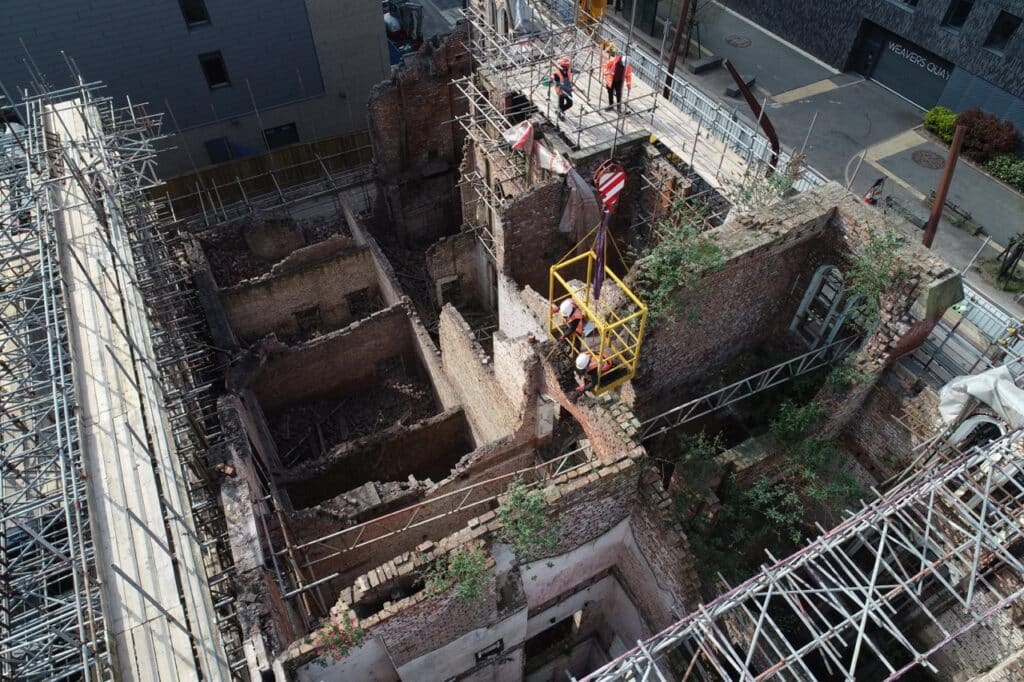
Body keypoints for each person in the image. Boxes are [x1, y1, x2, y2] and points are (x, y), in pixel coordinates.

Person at [603, 44, 632, 113]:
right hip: (611, 79)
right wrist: (606, 72)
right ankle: (611, 105)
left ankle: (619, 108)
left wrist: (628, 84)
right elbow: (606, 65)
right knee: (610, 92)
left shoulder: (627, 66)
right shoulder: (614, 60)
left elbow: (628, 75)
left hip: (619, 81)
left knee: (619, 94)